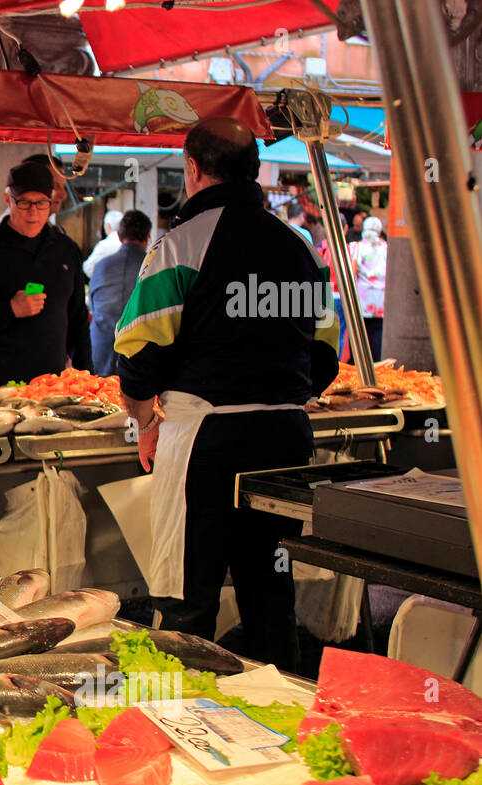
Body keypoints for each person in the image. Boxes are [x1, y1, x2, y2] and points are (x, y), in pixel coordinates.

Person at [114, 117, 340, 673]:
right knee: (270, 595)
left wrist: (145, 422)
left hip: (207, 442)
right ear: (254, 172)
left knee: (188, 600)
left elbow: (138, 355)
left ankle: (179, 726)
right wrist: (276, 394)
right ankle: (281, 729)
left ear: (193, 169)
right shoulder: (302, 249)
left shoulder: (180, 246)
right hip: (288, 439)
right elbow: (327, 356)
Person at [0, 160, 91, 384]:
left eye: (41, 203)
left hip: (51, 388)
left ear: (51, 201)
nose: (33, 212)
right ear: (8, 199)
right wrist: (9, 309)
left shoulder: (65, 250)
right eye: (24, 202)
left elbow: (77, 319)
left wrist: (85, 376)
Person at [89, 209, 151, 377]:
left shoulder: (101, 266)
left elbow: (93, 309)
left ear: (119, 235)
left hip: (100, 351)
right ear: (147, 236)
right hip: (138, 356)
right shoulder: (154, 267)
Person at [347, 215, 387, 359]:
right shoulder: (386, 249)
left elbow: (350, 271)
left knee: (358, 333)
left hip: (360, 299)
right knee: (377, 332)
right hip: (380, 300)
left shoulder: (356, 247)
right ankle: (375, 367)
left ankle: (358, 364)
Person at [82, 209, 125, 284]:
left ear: (108, 226)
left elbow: (88, 268)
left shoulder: (104, 245)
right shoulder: (127, 244)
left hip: (106, 287)